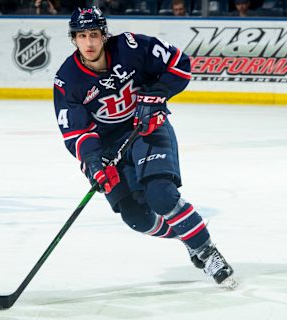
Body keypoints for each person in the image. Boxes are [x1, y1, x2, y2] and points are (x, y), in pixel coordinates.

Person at [53, 6, 236, 288]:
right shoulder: (68, 79)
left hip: (148, 127)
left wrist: (156, 96)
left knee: (161, 195)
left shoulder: (131, 47)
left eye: (93, 34)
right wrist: (93, 163)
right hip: (109, 146)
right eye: (81, 36)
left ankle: (207, 251)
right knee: (136, 217)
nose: (88, 43)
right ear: (73, 39)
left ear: (104, 35)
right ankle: (188, 234)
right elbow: (75, 131)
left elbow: (178, 63)